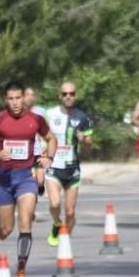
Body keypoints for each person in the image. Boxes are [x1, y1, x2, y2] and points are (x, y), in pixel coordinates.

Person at [0, 80, 56, 277]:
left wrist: (49, 157)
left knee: (25, 220)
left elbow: (51, 139)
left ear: (24, 97)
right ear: (5, 100)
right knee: (5, 230)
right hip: (4, 179)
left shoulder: (35, 120)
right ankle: (4, 224)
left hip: (26, 177)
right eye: (10, 99)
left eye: (18, 98)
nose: (15, 103)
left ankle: (21, 271)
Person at [42, 82, 93, 246]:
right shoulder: (49, 114)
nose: (68, 96)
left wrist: (83, 139)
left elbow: (89, 141)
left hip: (72, 168)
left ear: (76, 95)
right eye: (64, 94)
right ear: (60, 96)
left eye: (71, 93)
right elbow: (39, 135)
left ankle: (65, 241)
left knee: (70, 212)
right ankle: (57, 222)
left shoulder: (82, 117)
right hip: (53, 166)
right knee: (55, 203)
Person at [24, 87, 48, 195]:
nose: (30, 97)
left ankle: (40, 187)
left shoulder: (41, 112)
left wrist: (46, 148)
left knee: (40, 181)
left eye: (32, 95)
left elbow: (48, 132)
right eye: (27, 95)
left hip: (38, 150)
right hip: (24, 152)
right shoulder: (18, 111)